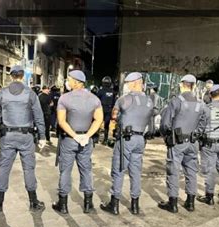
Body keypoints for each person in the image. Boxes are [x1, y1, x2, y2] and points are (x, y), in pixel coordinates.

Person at [0, 65, 46, 212]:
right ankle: (33, 202)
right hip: (26, 136)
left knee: (4, 168)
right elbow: (39, 116)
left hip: (7, 136)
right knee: (28, 169)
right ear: (23, 76)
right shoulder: (30, 93)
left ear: (11, 76)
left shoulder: (2, 93)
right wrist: (42, 136)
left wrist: (0, 122)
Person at [100, 72, 153, 215]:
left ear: (134, 83)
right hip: (140, 139)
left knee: (118, 170)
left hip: (125, 139)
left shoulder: (124, 99)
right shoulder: (149, 101)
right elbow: (150, 120)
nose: (128, 86)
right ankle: (135, 204)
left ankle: (114, 204)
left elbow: (114, 115)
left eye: (129, 83)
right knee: (135, 171)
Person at [52, 70, 103, 214]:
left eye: (69, 79)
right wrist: (87, 135)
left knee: (65, 171)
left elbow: (61, 121)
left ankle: (63, 205)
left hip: (69, 139)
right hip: (86, 141)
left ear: (76, 82)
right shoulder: (94, 99)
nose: (67, 82)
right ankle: (88, 204)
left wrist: (74, 135)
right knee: (86, 170)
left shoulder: (64, 99)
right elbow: (98, 119)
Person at [158, 74, 208, 213]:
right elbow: (204, 121)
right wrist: (196, 132)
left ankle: (172, 203)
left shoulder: (176, 101)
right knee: (191, 171)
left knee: (173, 170)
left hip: (177, 142)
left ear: (181, 84)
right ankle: (190, 202)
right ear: (194, 86)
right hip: (193, 142)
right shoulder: (200, 103)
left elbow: (165, 123)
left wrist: (166, 136)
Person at [97, 76, 116, 144]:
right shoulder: (112, 92)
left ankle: (96, 138)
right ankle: (105, 139)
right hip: (108, 110)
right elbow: (114, 102)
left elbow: (97, 100)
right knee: (106, 125)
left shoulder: (101, 91)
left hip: (101, 109)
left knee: (97, 123)